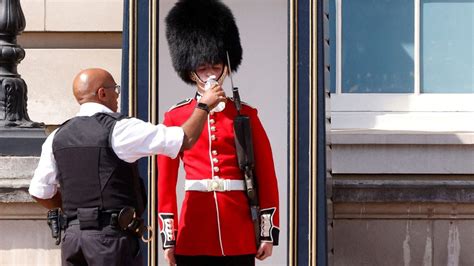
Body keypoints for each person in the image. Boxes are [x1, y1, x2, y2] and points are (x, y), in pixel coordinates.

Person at [28, 67, 225, 266]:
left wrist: (77, 213)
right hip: (110, 241)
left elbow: (39, 191)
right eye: (115, 89)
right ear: (102, 93)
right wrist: (204, 106)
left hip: (73, 240)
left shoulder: (56, 136)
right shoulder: (119, 129)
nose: (117, 96)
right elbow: (185, 138)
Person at [157, 1, 280, 265]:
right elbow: (165, 182)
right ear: (192, 72)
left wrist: (266, 232)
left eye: (215, 66)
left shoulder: (245, 114)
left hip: (238, 228)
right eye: (203, 68)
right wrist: (169, 236)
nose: (211, 74)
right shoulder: (176, 116)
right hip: (195, 228)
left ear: (226, 67)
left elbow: (266, 175)